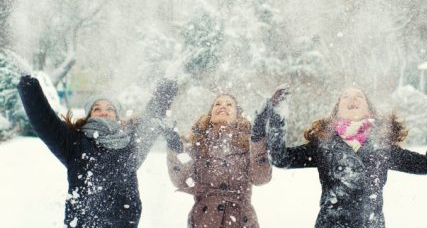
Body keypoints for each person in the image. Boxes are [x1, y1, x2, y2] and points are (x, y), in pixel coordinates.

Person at [255, 85, 427, 228]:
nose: (352, 99)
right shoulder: (323, 145)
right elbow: (282, 159)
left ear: (369, 109)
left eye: (359, 96)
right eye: (345, 96)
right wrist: (278, 117)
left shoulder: (383, 147)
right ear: (337, 111)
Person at [17, 75, 177, 228]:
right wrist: (27, 83)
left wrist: (170, 80)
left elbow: (154, 113)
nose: (104, 112)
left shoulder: (131, 143)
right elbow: (44, 120)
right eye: (97, 108)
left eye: (110, 109)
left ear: (117, 116)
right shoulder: (74, 142)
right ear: (88, 116)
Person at [164, 94, 272, 228]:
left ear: (237, 114)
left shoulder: (248, 143)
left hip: (239, 219)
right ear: (210, 114)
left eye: (229, 104)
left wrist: (258, 140)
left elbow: (261, 178)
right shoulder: (197, 143)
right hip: (205, 219)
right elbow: (183, 180)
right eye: (218, 103)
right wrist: (176, 149)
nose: (223, 106)